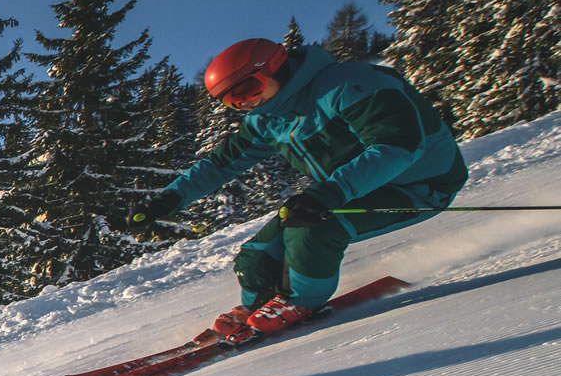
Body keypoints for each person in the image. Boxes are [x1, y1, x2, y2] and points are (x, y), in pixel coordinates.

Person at [132, 39, 468, 340]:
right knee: (255, 258)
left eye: (247, 90)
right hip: (351, 189)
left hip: (419, 183)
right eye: (232, 101)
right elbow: (220, 164)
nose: (244, 104)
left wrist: (329, 193)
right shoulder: (268, 118)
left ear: (275, 67)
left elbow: (398, 146)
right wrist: (165, 203)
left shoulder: (350, 84)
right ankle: (258, 306)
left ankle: (299, 303)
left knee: (314, 230)